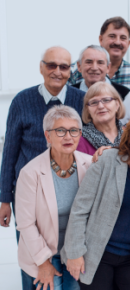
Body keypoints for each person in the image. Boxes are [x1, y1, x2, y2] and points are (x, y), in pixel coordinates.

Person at [0, 46, 85, 290]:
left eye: (64, 66)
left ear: (71, 71)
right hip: (29, 194)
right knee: (34, 261)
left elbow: (88, 141)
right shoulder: (22, 101)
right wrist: (5, 198)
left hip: (69, 189)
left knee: (70, 260)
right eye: (51, 65)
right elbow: (10, 151)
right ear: (41, 67)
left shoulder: (80, 101)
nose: (57, 71)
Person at [61, 111, 130, 289]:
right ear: (128, 137)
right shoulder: (107, 160)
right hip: (96, 254)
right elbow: (80, 210)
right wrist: (74, 253)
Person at [15, 105, 92, 290]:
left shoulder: (90, 165)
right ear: (47, 136)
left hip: (78, 250)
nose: (68, 136)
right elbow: (25, 224)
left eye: (74, 130)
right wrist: (43, 263)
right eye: (60, 131)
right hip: (44, 252)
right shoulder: (30, 173)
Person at [68, 17, 130, 90]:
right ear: (101, 39)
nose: (117, 42)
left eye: (123, 38)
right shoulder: (73, 70)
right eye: (112, 36)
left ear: (128, 43)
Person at [77, 82, 126, 155]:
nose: (100, 106)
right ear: (88, 109)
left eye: (106, 100)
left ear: (117, 104)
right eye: (94, 102)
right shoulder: (79, 140)